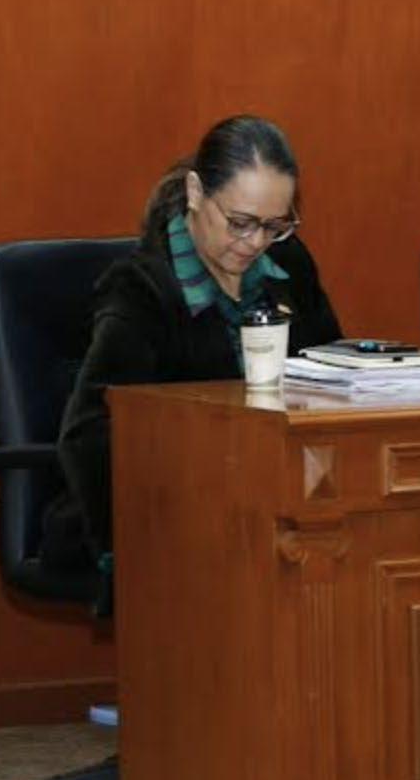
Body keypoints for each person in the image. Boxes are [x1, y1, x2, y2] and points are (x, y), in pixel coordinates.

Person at [51, 115, 344, 599]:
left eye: (274, 226)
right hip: (168, 513)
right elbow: (90, 432)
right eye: (240, 223)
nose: (255, 242)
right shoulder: (142, 290)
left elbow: (330, 375)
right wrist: (130, 551)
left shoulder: (288, 266)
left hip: (277, 500)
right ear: (195, 193)